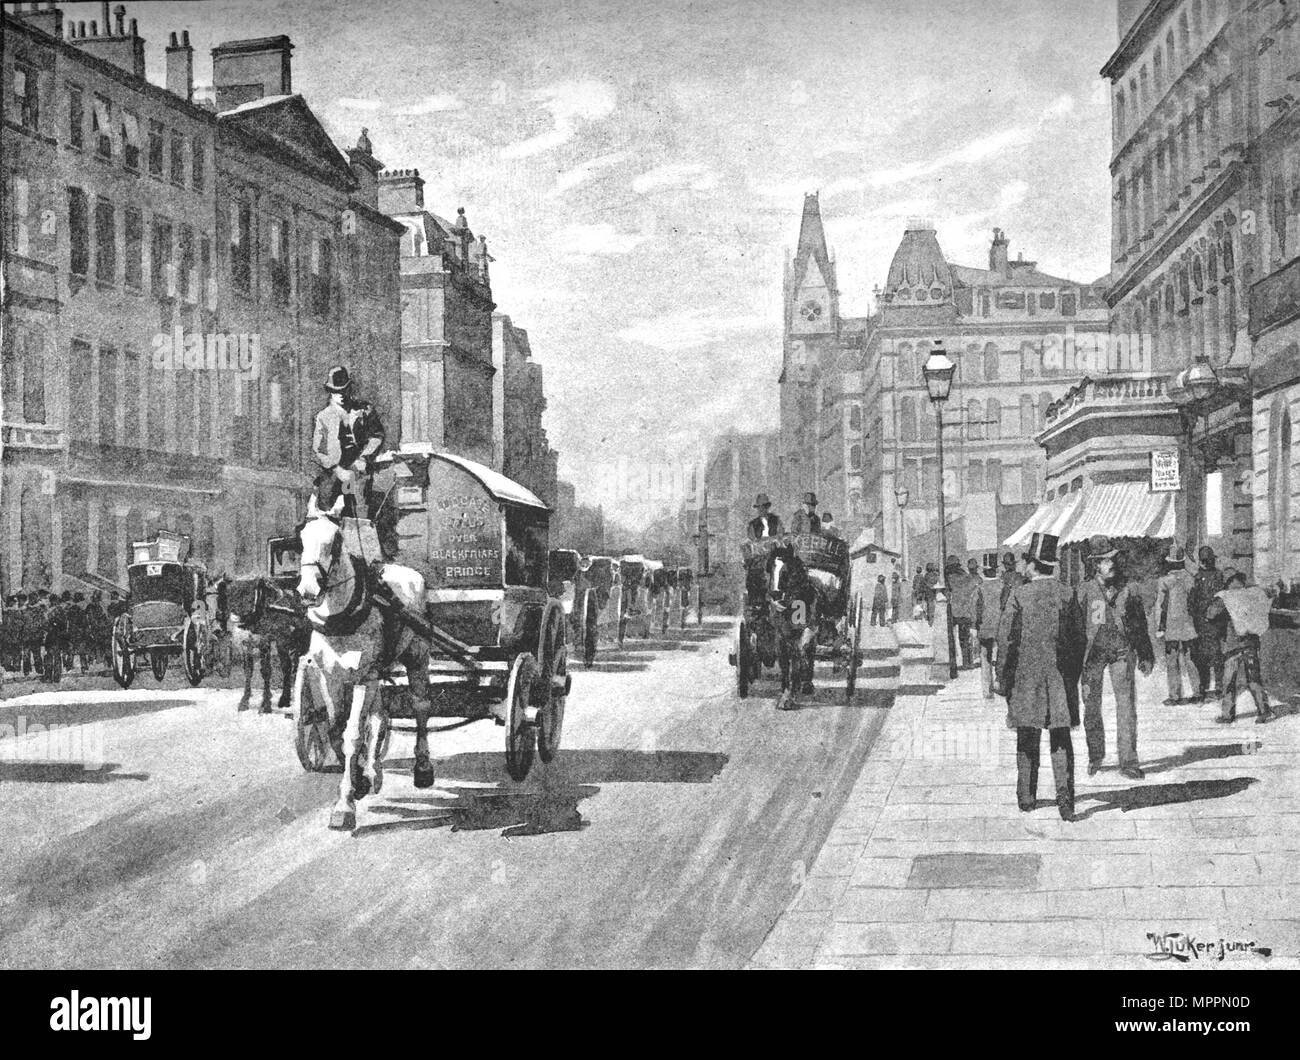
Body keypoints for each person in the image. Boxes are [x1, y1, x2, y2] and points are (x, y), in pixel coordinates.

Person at [996, 533, 1083, 821]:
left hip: (1026, 676)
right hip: (1060, 677)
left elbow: (1007, 639)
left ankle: (1026, 796)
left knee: (1027, 735)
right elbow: (1079, 640)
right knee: (1061, 738)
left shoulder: (1019, 595)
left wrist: (1002, 676)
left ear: (1033, 565)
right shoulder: (1067, 593)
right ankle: (1065, 800)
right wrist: (1070, 674)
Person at [1077, 535, 1154, 780]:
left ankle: (1129, 761)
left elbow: (1139, 624)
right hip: (1092, 656)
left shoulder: (1129, 589)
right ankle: (1096, 756)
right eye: (1103, 561)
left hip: (1122, 651)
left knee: (1127, 706)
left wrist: (1146, 654)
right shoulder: (1084, 591)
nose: (1110, 564)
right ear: (1095, 564)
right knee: (1091, 706)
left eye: (1112, 559)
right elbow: (1075, 628)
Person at [312, 365, 387, 519]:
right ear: (330, 392)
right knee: (329, 520)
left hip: (359, 474)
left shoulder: (364, 410)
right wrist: (336, 469)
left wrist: (364, 458)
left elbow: (377, 435)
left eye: (343, 390)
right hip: (332, 477)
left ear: (349, 389)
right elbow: (317, 451)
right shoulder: (323, 417)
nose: (339, 394)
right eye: (335, 391)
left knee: (360, 518)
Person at [1207, 570, 1274, 724]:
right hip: (1251, 643)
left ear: (1228, 582)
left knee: (1229, 681)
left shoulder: (1225, 597)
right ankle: (1264, 711)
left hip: (1233, 647)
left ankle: (1227, 714)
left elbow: (1210, 614)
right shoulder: (1252, 594)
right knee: (1254, 678)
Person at [1156, 544, 1201, 705]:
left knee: (1172, 660)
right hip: (1188, 623)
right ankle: (1196, 693)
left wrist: (1159, 627)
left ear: (1170, 562)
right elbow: (1195, 603)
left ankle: (1175, 695)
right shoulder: (1190, 579)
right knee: (1191, 659)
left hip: (1170, 624)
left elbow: (1161, 606)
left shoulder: (1164, 581)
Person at [1189, 545, 1225, 699]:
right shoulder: (1214, 575)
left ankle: (1211, 686)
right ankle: (1215, 686)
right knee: (1210, 655)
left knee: (1208, 655)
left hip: (1208, 622)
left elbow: (1192, 601)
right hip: (1209, 622)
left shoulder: (1201, 576)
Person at [973, 552, 1004, 700]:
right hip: (1001, 628)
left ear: (984, 571)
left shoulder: (980, 588)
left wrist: (975, 626)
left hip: (984, 629)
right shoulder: (1004, 586)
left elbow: (975, 610)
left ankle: (987, 691)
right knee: (1001, 656)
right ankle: (999, 683)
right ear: (996, 570)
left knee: (985, 659)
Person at [946, 555, 977, 669]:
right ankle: (968, 662)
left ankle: (962, 662)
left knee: (957, 638)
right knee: (966, 638)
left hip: (955, 611)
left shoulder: (949, 578)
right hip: (967, 611)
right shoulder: (966, 576)